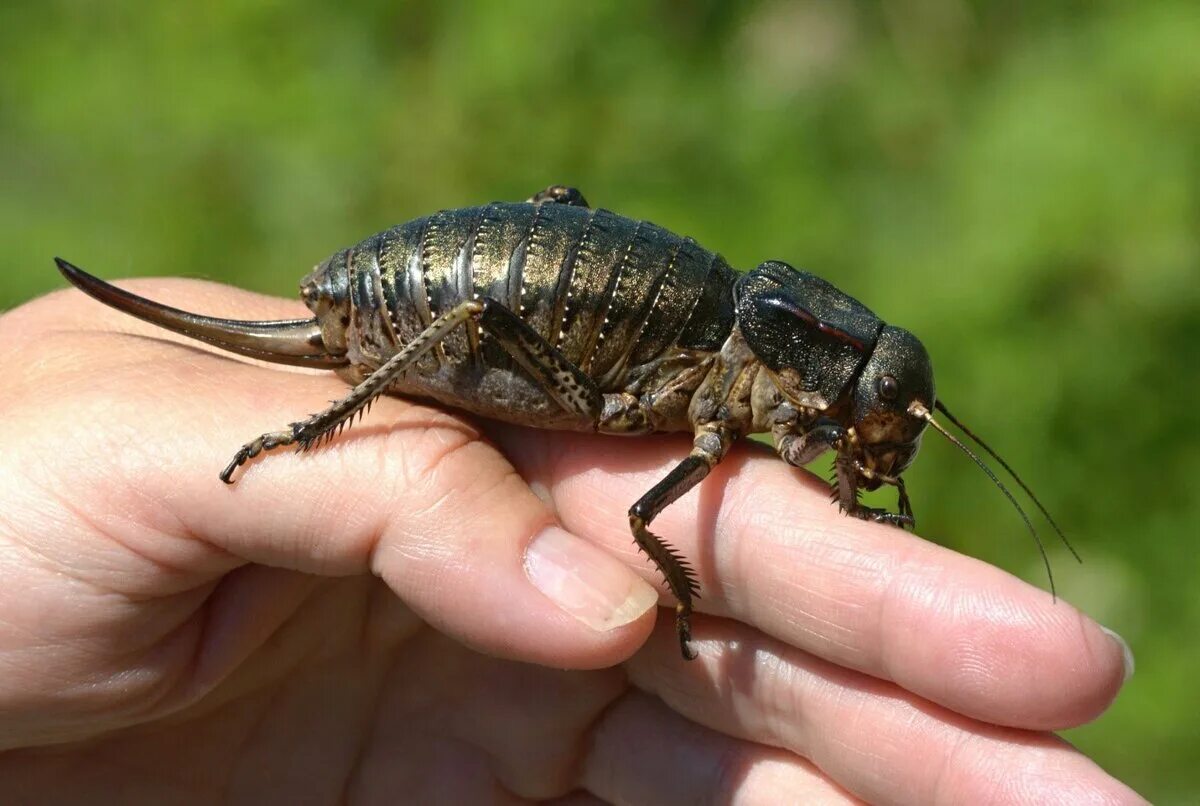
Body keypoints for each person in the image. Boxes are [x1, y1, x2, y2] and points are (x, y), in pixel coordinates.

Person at [0, 277, 1142, 803]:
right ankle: (317, 421)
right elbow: (650, 516)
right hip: (441, 306)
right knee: (473, 324)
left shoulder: (770, 367)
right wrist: (685, 600)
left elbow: (802, 438)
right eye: (877, 415)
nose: (871, 438)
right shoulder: (729, 373)